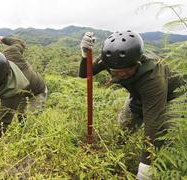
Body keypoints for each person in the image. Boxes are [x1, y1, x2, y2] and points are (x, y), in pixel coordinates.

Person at [78, 31, 186, 180]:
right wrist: (85, 54)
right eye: (116, 73)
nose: (120, 75)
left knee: (166, 134)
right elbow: (85, 73)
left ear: (137, 63)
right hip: (139, 94)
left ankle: (165, 168)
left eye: (126, 72)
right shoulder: (110, 59)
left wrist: (144, 169)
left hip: (174, 96)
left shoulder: (153, 75)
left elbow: (153, 125)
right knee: (123, 127)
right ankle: (118, 157)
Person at [0, 36, 47, 163]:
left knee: (30, 122)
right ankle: (22, 129)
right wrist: (2, 39)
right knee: (21, 115)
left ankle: (32, 147)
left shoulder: (11, 94)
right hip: (24, 91)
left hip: (37, 92)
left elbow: (2, 123)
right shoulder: (9, 54)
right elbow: (19, 42)